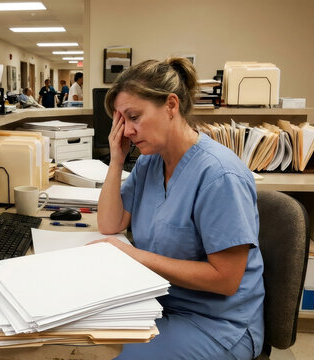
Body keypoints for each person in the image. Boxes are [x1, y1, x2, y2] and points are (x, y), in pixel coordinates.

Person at [92, 58, 265, 360]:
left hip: (218, 324)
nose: (128, 131)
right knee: (82, 334)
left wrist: (135, 256)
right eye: (121, 122)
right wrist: (116, 159)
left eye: (133, 117)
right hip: (160, 303)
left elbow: (226, 279)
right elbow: (110, 223)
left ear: (171, 105)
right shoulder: (150, 161)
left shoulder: (220, 175)